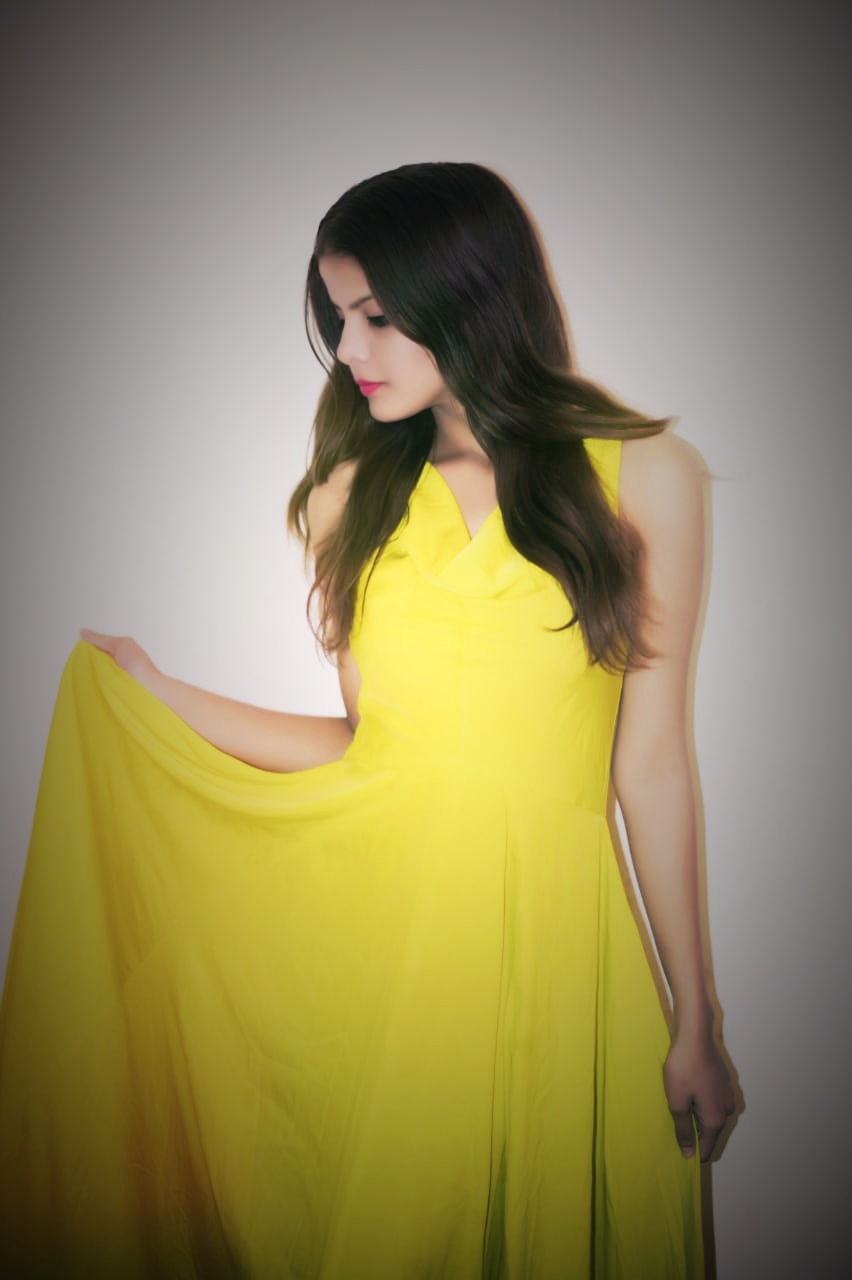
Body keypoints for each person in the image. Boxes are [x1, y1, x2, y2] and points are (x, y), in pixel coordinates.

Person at [0, 161, 736, 1277]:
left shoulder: (647, 475)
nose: (348, 349)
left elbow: (653, 767)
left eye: (377, 315)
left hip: (563, 944)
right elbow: (373, 747)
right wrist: (156, 689)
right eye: (339, 316)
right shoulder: (351, 495)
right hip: (391, 946)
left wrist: (696, 1017)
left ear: (470, 297)